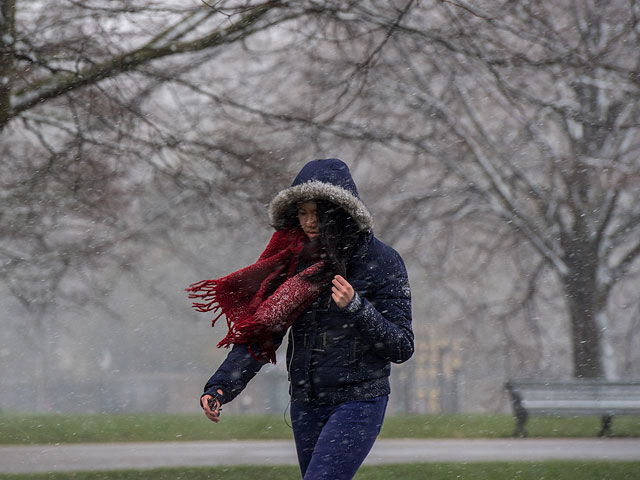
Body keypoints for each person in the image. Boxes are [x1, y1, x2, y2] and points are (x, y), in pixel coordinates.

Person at [187, 158, 414, 480]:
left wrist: (357, 307)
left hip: (358, 401)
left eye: (317, 213)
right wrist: (221, 387)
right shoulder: (294, 264)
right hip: (306, 401)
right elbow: (262, 332)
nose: (309, 222)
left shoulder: (382, 261)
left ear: (340, 212)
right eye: (303, 212)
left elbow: (402, 346)